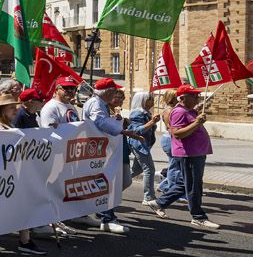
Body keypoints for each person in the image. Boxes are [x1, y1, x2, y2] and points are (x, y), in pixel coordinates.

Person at [80, 78, 145, 235]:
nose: (116, 94)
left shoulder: (100, 103)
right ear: (108, 92)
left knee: (111, 182)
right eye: (114, 91)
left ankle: (103, 213)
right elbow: (100, 122)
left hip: (103, 148)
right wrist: (122, 130)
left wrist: (117, 122)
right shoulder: (96, 103)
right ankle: (107, 218)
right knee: (106, 182)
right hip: (98, 149)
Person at [0, 95, 43, 255]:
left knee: (23, 204)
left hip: (11, 174)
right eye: (11, 107)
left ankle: (25, 240)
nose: (16, 110)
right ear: (1, 110)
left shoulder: (8, 124)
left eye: (15, 107)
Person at [153, 86, 219, 230]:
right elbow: (177, 133)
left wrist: (196, 112)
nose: (198, 98)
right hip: (189, 154)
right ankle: (198, 217)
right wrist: (197, 122)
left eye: (198, 95)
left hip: (196, 153)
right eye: (194, 96)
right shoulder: (179, 112)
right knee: (194, 186)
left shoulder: (188, 110)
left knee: (186, 183)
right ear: (182, 98)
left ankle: (160, 203)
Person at [127, 90, 161, 207]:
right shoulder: (137, 113)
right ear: (142, 101)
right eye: (149, 98)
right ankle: (148, 197)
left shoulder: (146, 112)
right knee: (149, 170)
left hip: (144, 144)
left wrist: (152, 121)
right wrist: (152, 122)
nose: (152, 100)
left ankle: (118, 182)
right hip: (139, 144)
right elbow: (137, 131)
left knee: (137, 170)